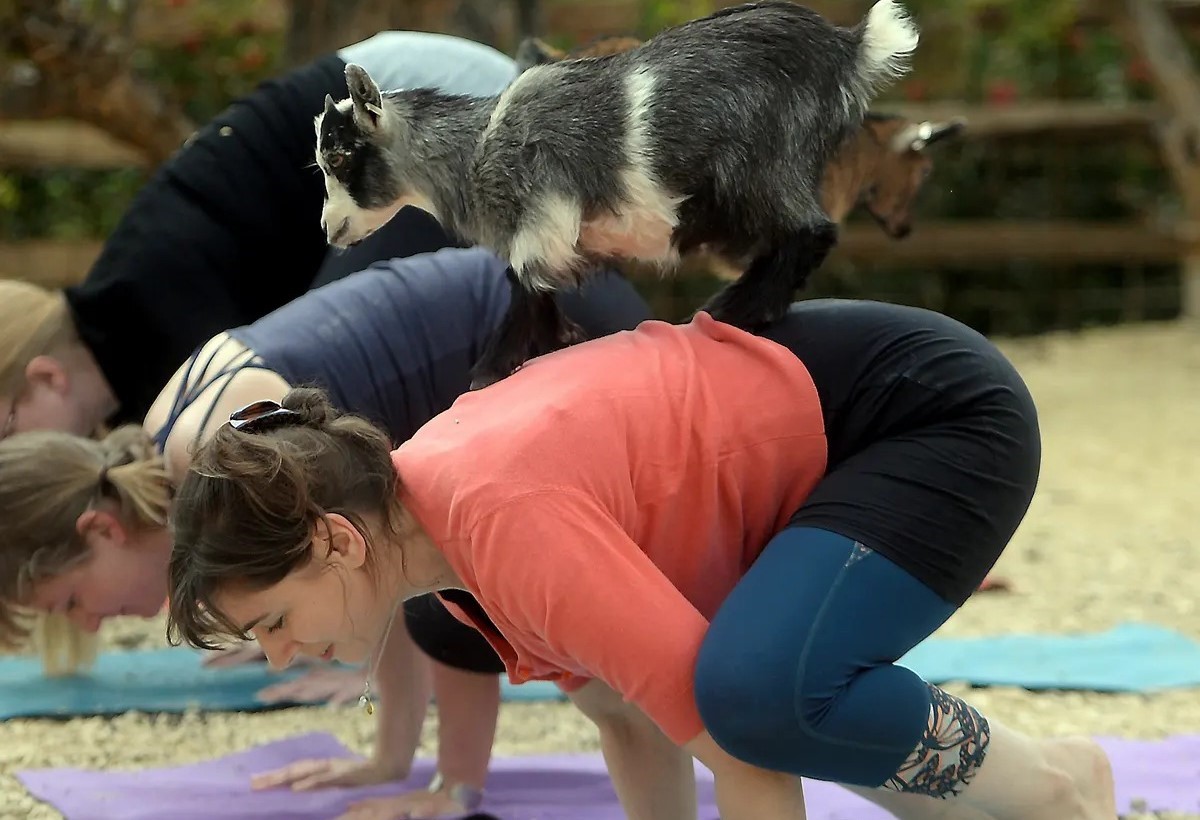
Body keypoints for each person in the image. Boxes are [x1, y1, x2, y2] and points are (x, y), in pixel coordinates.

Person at [165, 298, 1117, 820]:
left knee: (760, 699)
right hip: (830, 447)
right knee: (763, 695)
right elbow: (630, 723)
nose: (280, 656)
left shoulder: (498, 523)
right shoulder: (441, 559)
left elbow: (737, 753)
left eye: (274, 621)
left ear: (337, 538)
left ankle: (1059, 788)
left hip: (924, 415)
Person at [0, 246, 653, 819]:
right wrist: (389, 760)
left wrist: (455, 787)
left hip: (549, 320)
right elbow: (371, 575)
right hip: (536, 300)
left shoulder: (215, 467)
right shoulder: (167, 436)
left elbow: (405, 571)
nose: (88, 625)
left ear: (103, 529)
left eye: (71, 602)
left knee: (575, 640)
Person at [15, 29, 517, 433]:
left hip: (424, 103)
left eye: (11, 438)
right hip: (398, 120)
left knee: (321, 394)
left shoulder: (145, 311)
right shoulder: (130, 356)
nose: (29, 471)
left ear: (46, 377)